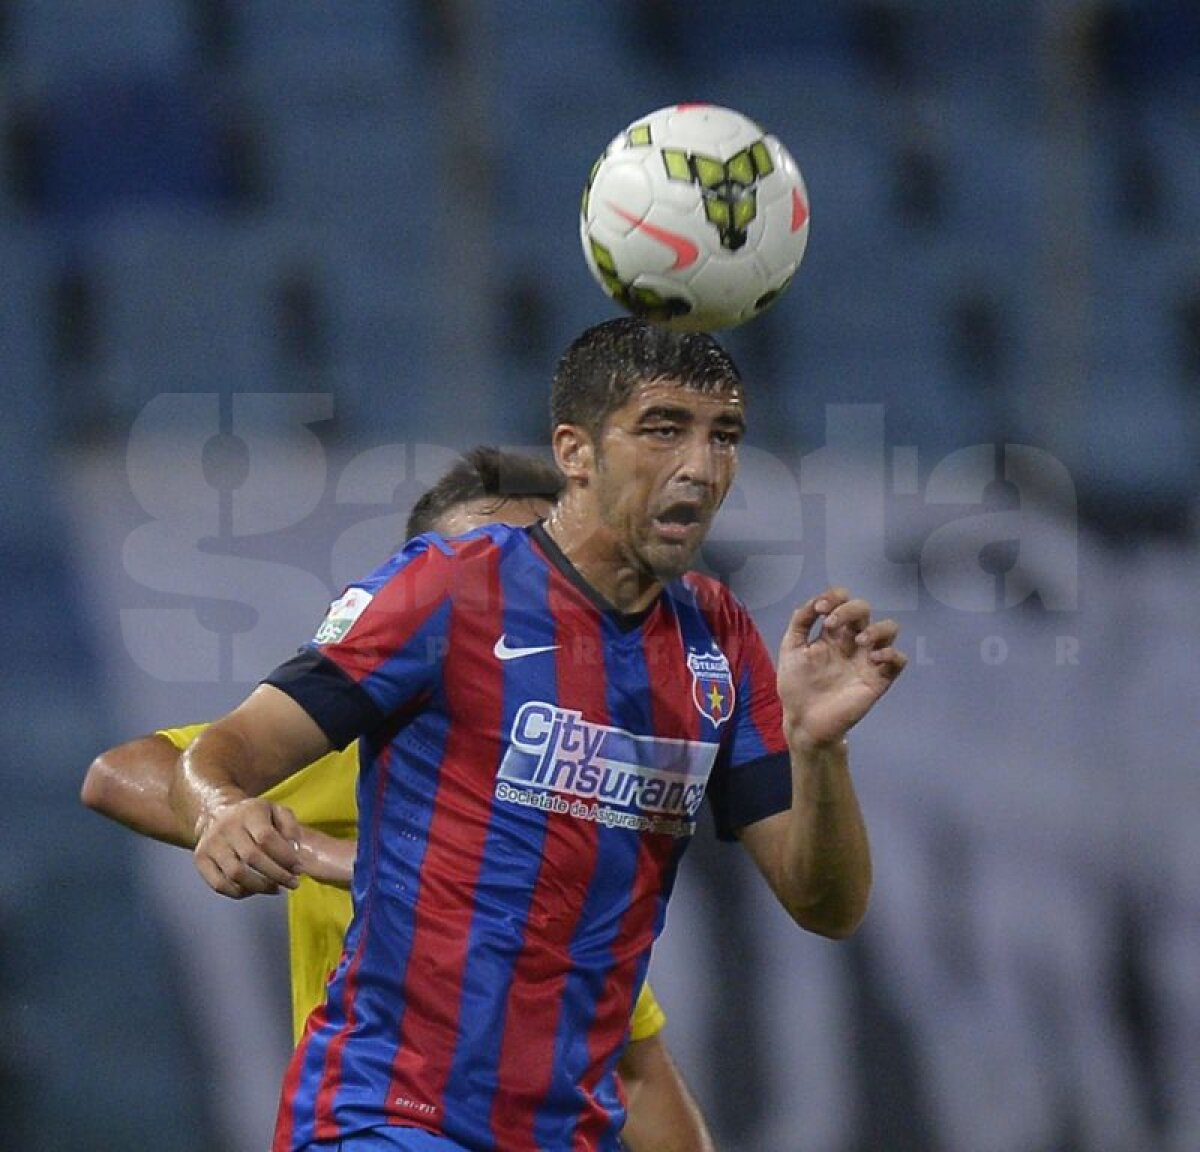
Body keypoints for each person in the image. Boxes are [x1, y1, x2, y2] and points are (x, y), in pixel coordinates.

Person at [169, 317, 906, 1152]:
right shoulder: (448, 590)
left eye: (724, 436)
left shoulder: (719, 637)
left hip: (565, 1133)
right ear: (576, 452)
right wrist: (219, 808)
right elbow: (224, 750)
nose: (701, 468)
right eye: (664, 430)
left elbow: (826, 904)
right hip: (388, 1115)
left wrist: (820, 749)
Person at [82, 446, 715, 1152]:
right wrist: (322, 849)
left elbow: (639, 1071)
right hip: (379, 1120)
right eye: (478, 565)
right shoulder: (363, 741)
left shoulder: (564, 807)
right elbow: (121, 772)